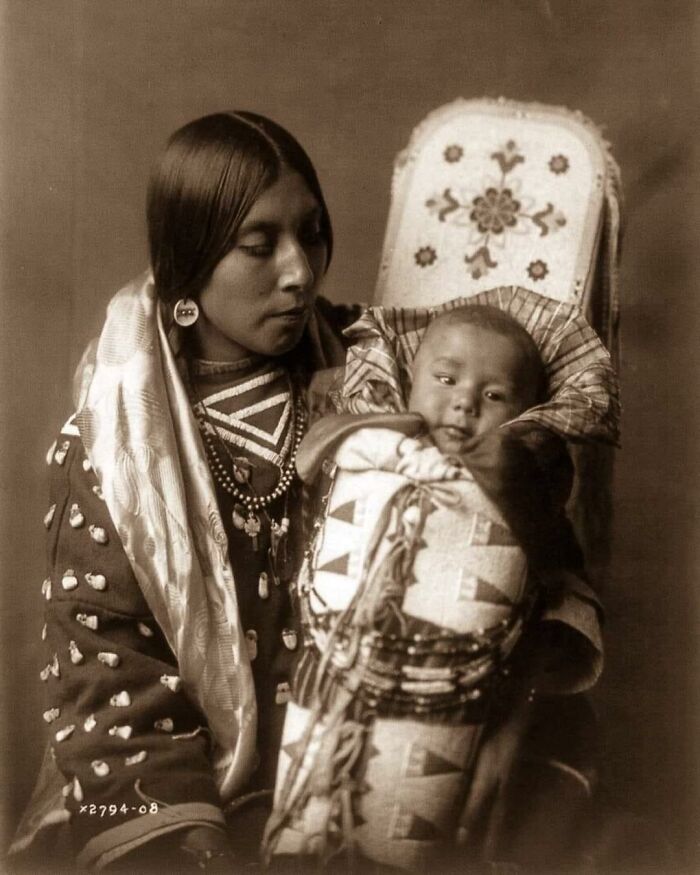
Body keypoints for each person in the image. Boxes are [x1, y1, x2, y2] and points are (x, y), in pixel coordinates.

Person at [11, 111, 363, 873]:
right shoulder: (114, 446)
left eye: (312, 234)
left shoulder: (376, 374)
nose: (300, 272)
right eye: (259, 246)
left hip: (358, 780)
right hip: (190, 797)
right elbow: (108, 664)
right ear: (190, 258)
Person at [264, 304, 607, 871]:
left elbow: (560, 585)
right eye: (445, 379)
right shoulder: (365, 451)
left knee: (406, 834)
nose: (465, 402)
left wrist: (516, 706)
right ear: (408, 378)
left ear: (528, 411)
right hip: (331, 678)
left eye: (494, 395)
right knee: (302, 828)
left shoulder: (522, 490)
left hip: (450, 702)